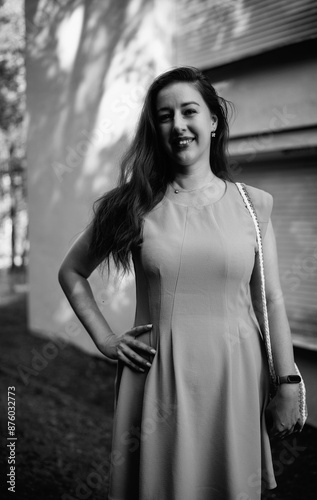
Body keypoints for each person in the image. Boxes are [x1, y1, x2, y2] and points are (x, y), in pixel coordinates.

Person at [58, 66, 303, 500]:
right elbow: (72, 271)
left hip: (235, 381)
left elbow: (271, 297)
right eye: (164, 116)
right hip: (157, 380)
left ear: (213, 120)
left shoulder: (254, 206)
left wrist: (287, 384)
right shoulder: (132, 205)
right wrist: (106, 340)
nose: (178, 125)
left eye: (189, 111)